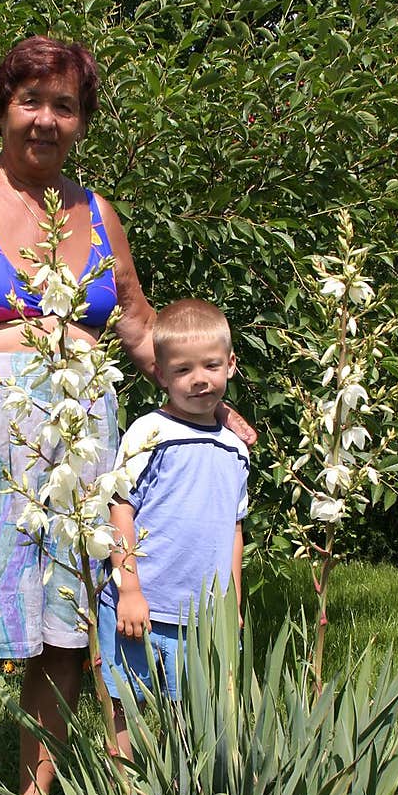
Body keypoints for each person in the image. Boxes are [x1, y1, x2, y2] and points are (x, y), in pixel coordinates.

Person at [0, 36, 253, 795]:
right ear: (2, 106)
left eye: (66, 107)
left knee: (66, 630)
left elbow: (134, 321)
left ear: (82, 123)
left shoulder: (97, 213)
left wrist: (208, 397)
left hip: (83, 440)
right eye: (31, 101)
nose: (46, 120)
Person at [97, 299, 249, 752]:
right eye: (182, 370)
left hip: (203, 618)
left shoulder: (236, 448)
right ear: (161, 375)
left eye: (211, 365)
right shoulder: (148, 433)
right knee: (127, 708)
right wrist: (128, 589)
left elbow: (233, 532)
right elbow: (120, 510)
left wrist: (233, 604)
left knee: (198, 712)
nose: (199, 379)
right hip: (142, 606)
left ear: (230, 365)